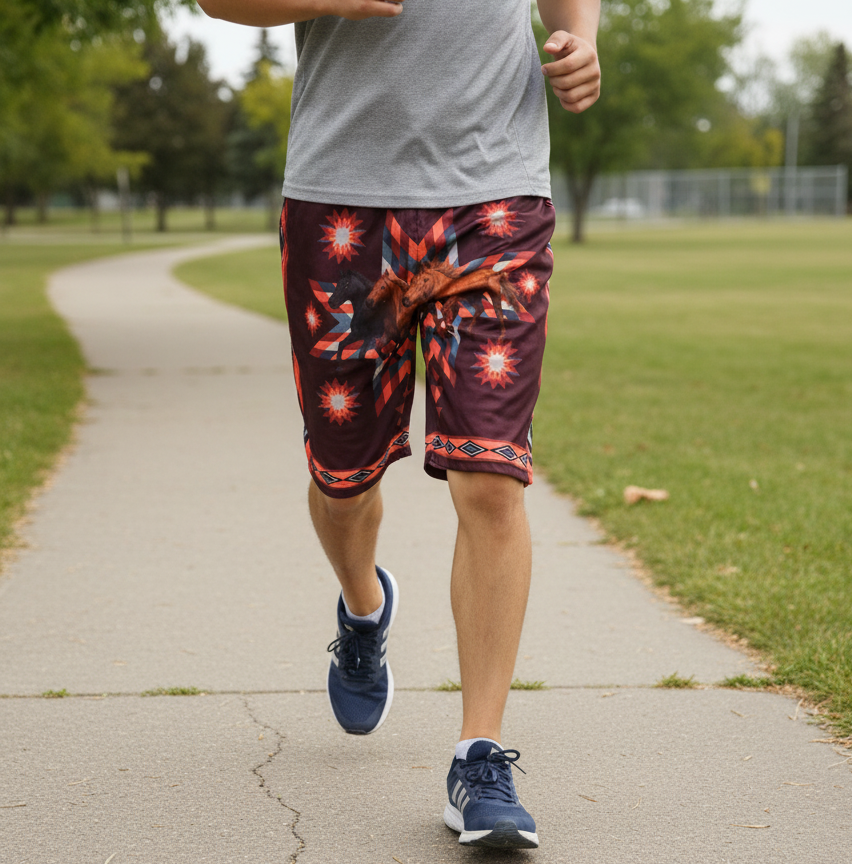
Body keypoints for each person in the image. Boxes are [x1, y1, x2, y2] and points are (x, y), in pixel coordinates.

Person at [198, 0, 600, 849]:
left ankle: (479, 756)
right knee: (342, 482)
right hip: (341, 202)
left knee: (490, 477)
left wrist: (580, 36)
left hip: (494, 197)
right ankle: (363, 606)